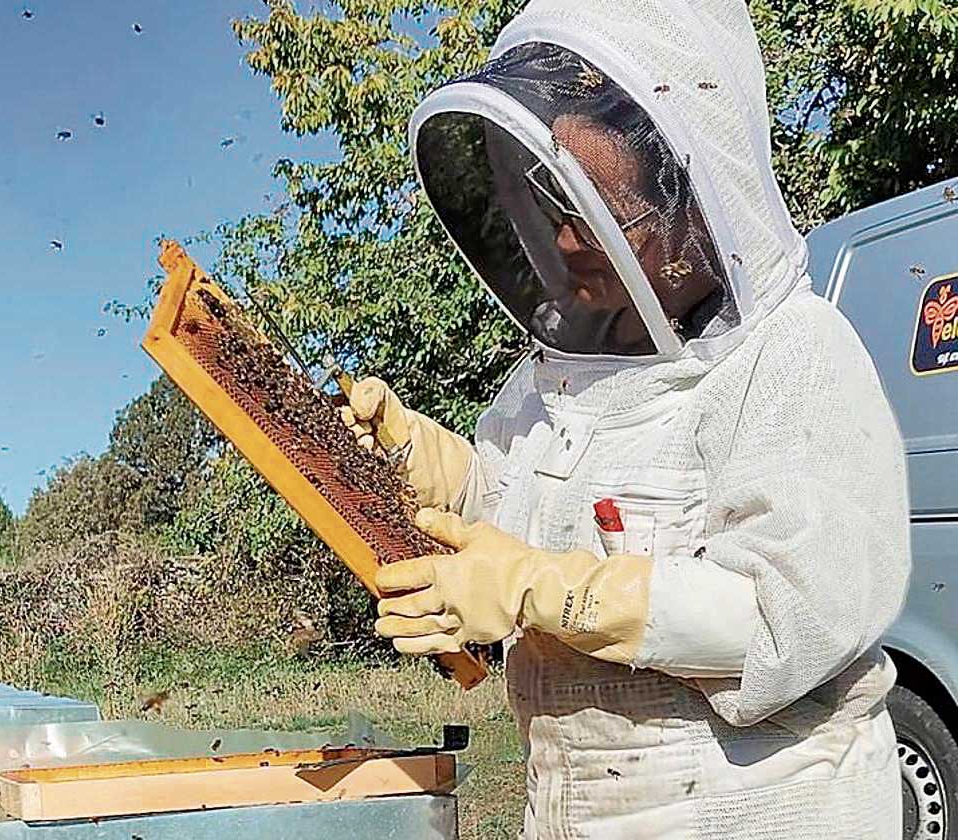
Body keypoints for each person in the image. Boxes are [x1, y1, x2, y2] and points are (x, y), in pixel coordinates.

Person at [340, 2, 911, 837]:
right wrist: (414, 455)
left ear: (681, 193)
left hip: (760, 813)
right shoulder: (556, 378)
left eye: (598, 210)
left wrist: (543, 589)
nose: (568, 242)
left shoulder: (791, 355)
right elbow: (503, 511)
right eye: (549, 208)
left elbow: (786, 615)